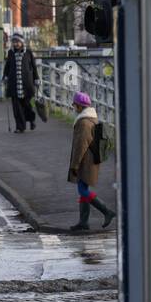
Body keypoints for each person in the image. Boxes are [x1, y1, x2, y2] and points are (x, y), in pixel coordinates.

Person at [66, 92, 116, 230]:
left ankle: (107, 211)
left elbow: (80, 145)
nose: (73, 106)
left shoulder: (84, 122)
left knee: (83, 190)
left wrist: (75, 165)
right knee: (83, 189)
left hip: (85, 162)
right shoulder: (91, 119)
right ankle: (83, 221)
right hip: (90, 160)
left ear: (80, 106)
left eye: (74, 104)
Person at [2, 33, 38, 133]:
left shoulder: (28, 52)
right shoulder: (10, 53)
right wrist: (5, 76)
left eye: (18, 42)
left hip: (26, 84)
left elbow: (34, 67)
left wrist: (36, 79)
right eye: (14, 42)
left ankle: (31, 119)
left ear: (22, 42)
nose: (16, 44)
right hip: (14, 84)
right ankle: (20, 127)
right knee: (17, 108)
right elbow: (7, 66)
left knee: (27, 106)